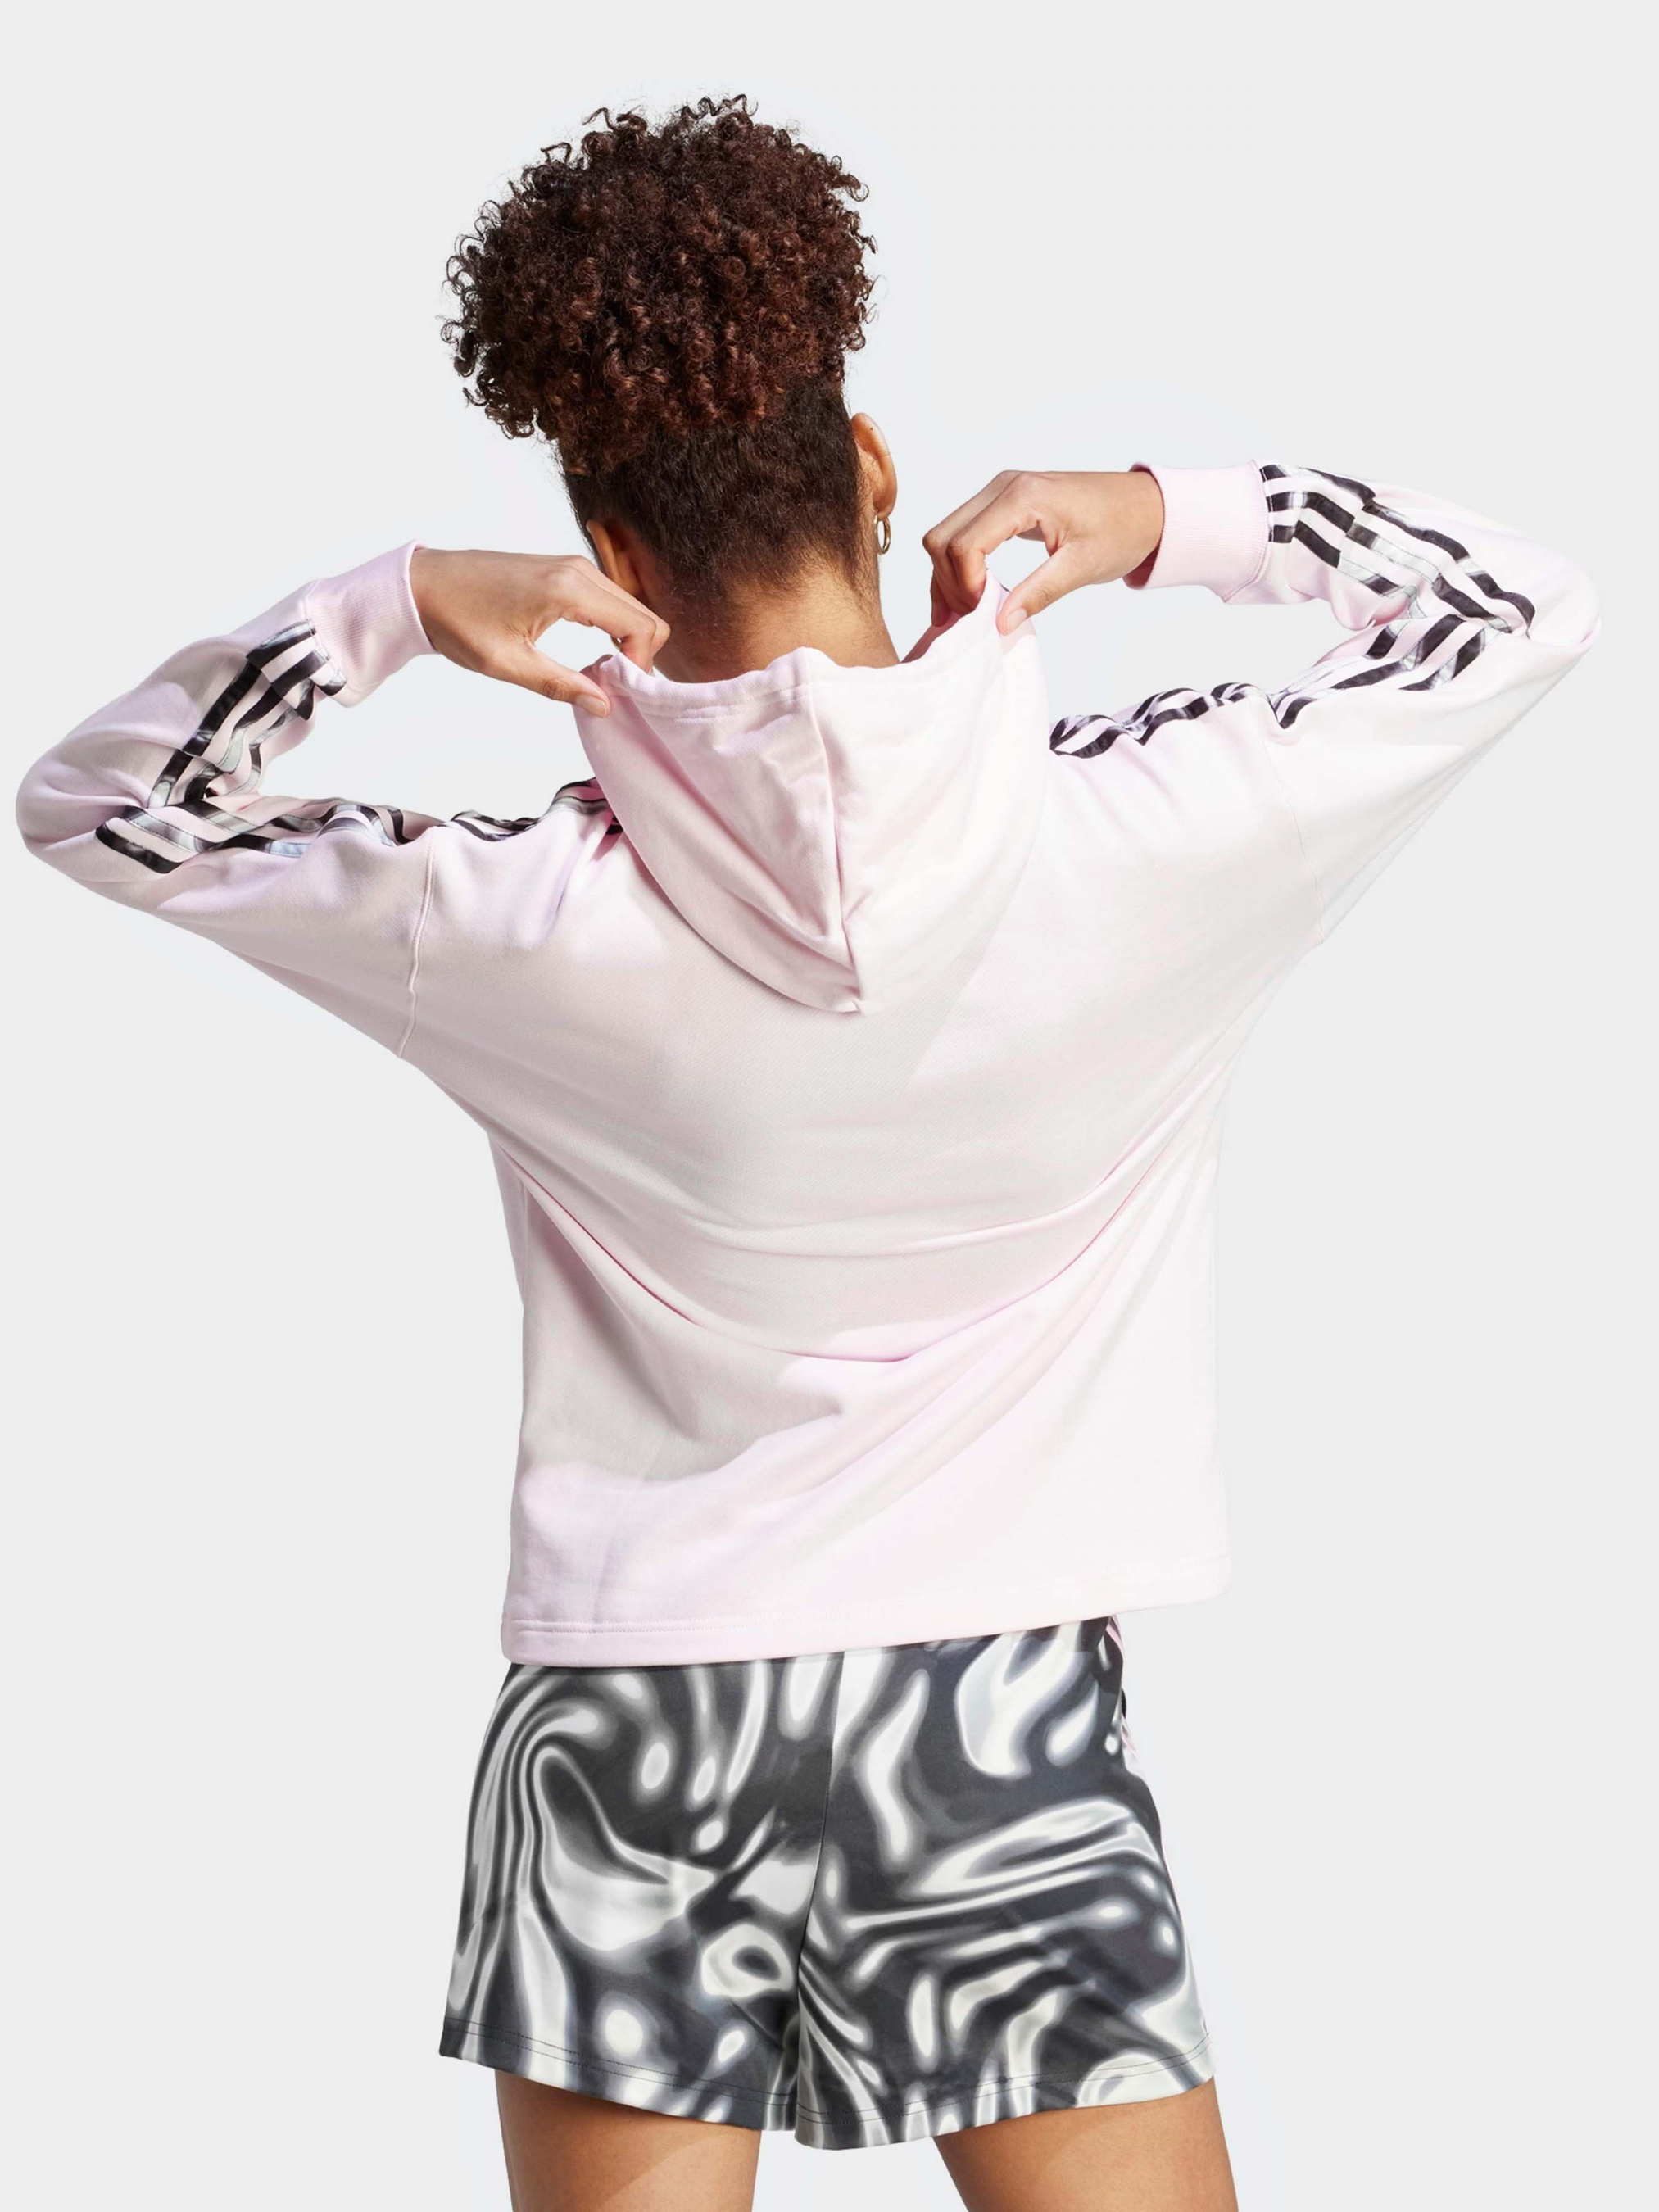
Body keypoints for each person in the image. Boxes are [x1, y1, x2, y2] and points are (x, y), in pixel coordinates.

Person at [15, 93, 1598, 2212]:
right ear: (871, 467)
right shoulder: (1151, 831)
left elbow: (101, 805)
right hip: (993, 1719)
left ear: (605, 549)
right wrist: (1165, 514)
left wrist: (395, 607)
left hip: (633, 1721)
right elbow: (1520, 612)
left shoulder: (516, 917)